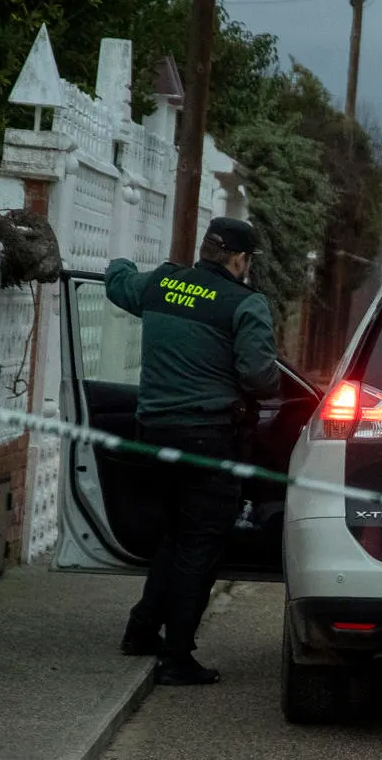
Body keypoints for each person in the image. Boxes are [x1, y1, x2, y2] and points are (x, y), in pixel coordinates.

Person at [104, 217, 280, 685]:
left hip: (153, 436)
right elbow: (261, 379)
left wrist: (122, 255)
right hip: (208, 443)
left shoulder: (161, 285)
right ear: (241, 259)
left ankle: (141, 631)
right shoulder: (245, 305)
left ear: (206, 249)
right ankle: (177, 657)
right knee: (199, 547)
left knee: (173, 537)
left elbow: (118, 282)